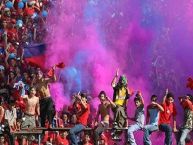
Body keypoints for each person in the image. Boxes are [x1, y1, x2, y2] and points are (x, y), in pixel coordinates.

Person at [110, 69, 131, 139]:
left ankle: (116, 135)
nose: (122, 82)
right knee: (119, 109)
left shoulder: (126, 90)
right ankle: (115, 122)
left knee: (123, 120)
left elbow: (127, 100)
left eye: (124, 81)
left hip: (122, 107)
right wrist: (116, 76)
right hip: (115, 105)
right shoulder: (117, 88)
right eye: (121, 80)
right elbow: (112, 84)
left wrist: (126, 108)